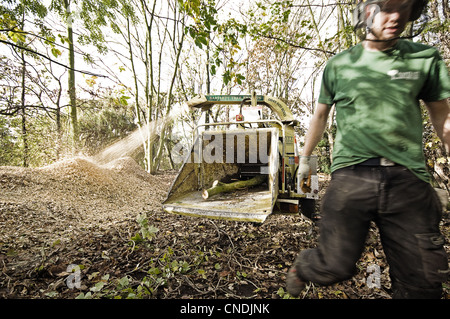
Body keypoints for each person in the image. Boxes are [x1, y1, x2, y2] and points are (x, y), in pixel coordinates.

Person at [286, 0, 450, 299]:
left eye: (406, 8)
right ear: (366, 11)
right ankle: (304, 267)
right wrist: (305, 160)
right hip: (351, 178)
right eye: (389, 7)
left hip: (408, 180)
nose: (397, 17)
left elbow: (442, 115)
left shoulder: (425, 58)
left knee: (423, 284)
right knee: (334, 266)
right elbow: (320, 116)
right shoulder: (339, 64)